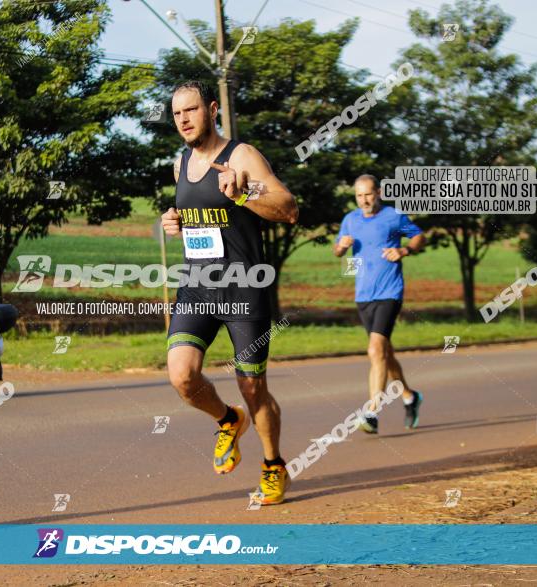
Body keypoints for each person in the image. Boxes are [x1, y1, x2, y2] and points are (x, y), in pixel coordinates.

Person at [161, 80, 299, 505]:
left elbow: (288, 207)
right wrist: (176, 223)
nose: (184, 119)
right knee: (182, 376)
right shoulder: (179, 164)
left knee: (252, 385)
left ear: (212, 109)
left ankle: (273, 464)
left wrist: (246, 191)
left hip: (244, 286)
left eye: (192, 110)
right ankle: (227, 420)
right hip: (198, 286)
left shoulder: (240, 155)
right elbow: (200, 217)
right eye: (177, 113)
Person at [333, 174, 426, 433]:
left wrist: (404, 250)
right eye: (359, 195)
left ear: (380, 192)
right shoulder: (350, 220)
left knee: (375, 350)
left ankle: (372, 412)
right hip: (363, 294)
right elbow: (337, 250)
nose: (364, 200)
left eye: (369, 194)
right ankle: (409, 396)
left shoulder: (394, 216)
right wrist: (341, 247)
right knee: (385, 353)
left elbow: (419, 236)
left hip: (390, 291)